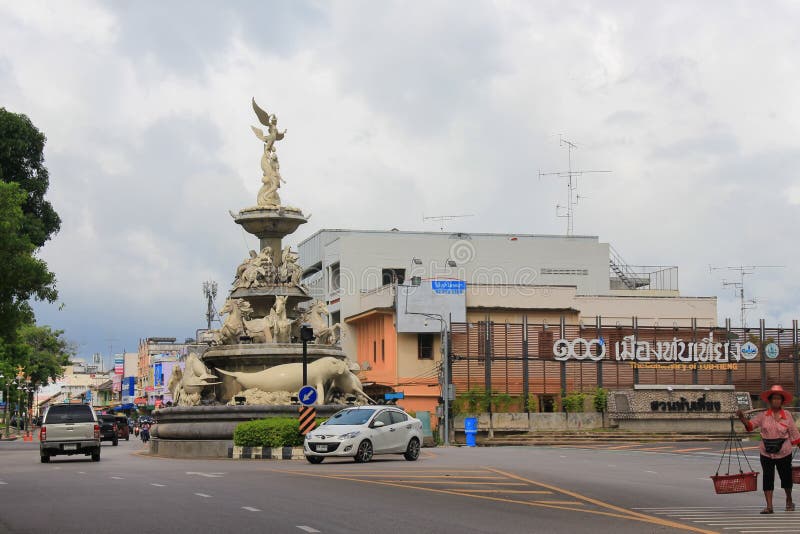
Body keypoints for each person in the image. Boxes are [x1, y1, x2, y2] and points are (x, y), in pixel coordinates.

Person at [737, 385, 800, 514]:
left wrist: (798, 443)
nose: (776, 401)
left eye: (778, 399)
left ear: (782, 401)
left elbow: (794, 433)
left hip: (784, 452)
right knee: (767, 478)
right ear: (770, 401)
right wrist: (742, 418)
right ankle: (769, 506)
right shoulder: (763, 416)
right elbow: (750, 426)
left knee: (786, 478)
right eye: (774, 398)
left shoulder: (787, 415)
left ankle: (789, 500)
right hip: (766, 452)